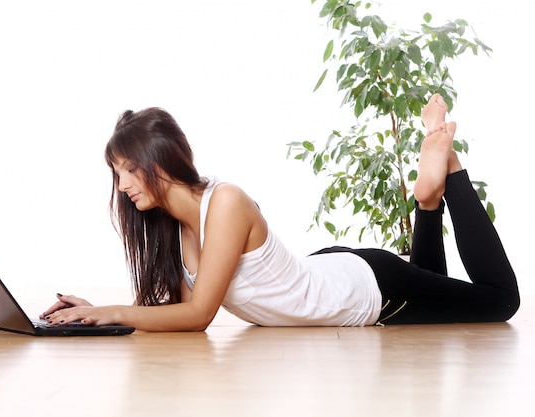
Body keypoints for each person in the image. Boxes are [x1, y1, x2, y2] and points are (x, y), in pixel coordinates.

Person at [40, 95, 520, 331]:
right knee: (433, 285)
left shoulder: (224, 202)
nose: (121, 187)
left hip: (367, 288)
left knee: (500, 303)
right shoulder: (180, 226)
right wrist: (96, 315)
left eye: (127, 171)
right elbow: (179, 313)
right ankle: (427, 201)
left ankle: (449, 172)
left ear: (159, 161)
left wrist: (108, 313)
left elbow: (200, 315)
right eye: (115, 174)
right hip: (331, 271)